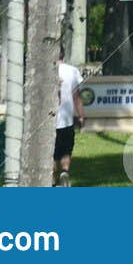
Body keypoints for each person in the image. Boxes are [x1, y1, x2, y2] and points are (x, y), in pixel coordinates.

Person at [53, 46, 84, 185]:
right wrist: (81, 116)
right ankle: (64, 172)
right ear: (63, 54)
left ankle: (52, 182)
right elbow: (76, 96)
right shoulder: (72, 71)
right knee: (66, 150)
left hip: (50, 121)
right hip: (66, 120)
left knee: (51, 154)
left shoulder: (45, 71)